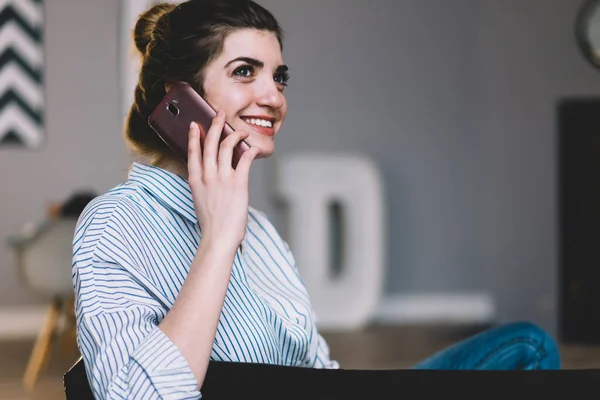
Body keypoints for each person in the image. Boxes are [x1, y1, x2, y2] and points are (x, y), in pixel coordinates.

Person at [71, 1, 561, 398]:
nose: (274, 96)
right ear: (178, 99)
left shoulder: (259, 229)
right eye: (245, 72)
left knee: (525, 346)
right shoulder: (116, 222)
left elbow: (316, 367)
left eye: (279, 77)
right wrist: (218, 242)